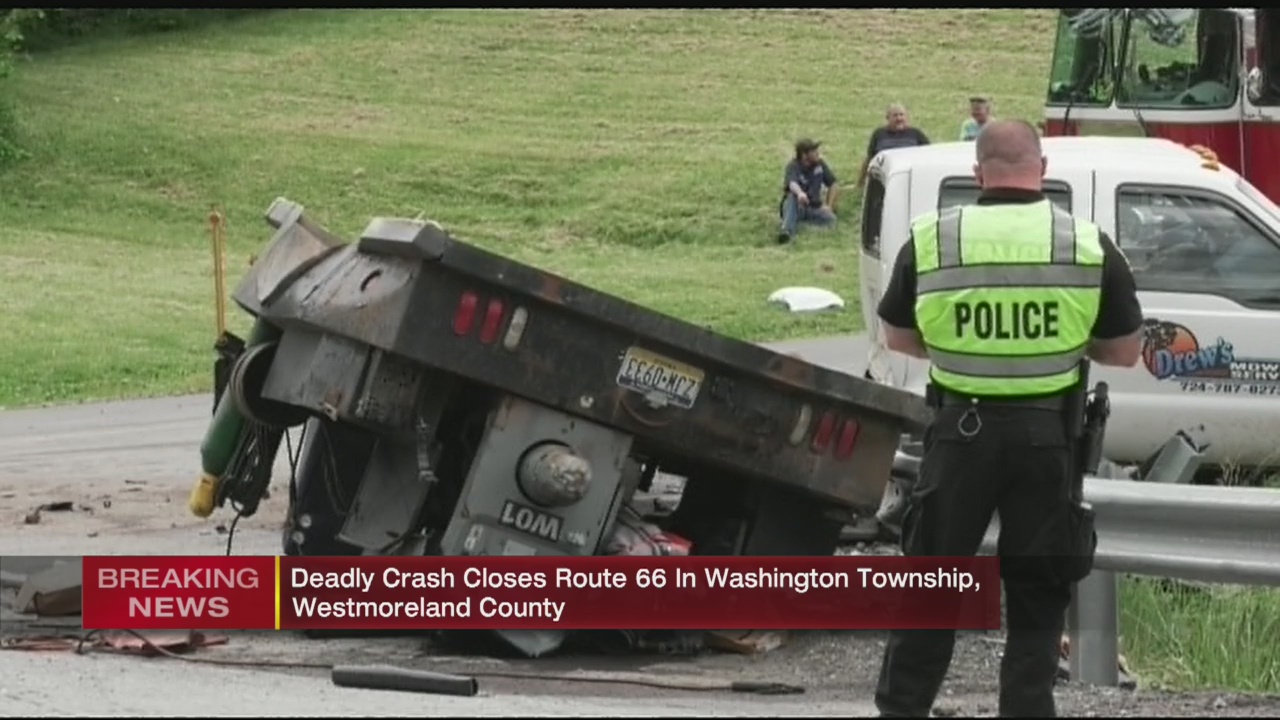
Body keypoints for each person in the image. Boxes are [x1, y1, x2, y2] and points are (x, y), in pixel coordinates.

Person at [871, 120, 1144, 718]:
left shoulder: (934, 239)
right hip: (1047, 441)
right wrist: (1072, 348)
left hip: (958, 438)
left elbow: (896, 335)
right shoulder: (1086, 244)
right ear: (1042, 171)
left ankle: (901, 710)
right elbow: (1125, 351)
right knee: (1037, 599)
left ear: (977, 175)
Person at [778, 138, 840, 245]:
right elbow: (792, 183)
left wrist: (829, 206)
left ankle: (801, 226)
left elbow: (834, 184)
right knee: (792, 197)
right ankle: (787, 231)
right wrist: (800, 193)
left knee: (831, 219)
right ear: (804, 154)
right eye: (814, 151)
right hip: (797, 206)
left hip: (813, 207)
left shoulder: (820, 165)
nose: (817, 153)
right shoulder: (793, 166)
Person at [858, 104, 930, 187]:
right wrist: (860, 183)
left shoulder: (916, 134)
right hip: (885, 175)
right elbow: (870, 158)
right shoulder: (879, 134)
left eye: (901, 115)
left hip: (909, 175)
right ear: (888, 118)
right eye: (895, 115)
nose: (899, 118)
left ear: (906, 117)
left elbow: (928, 155)